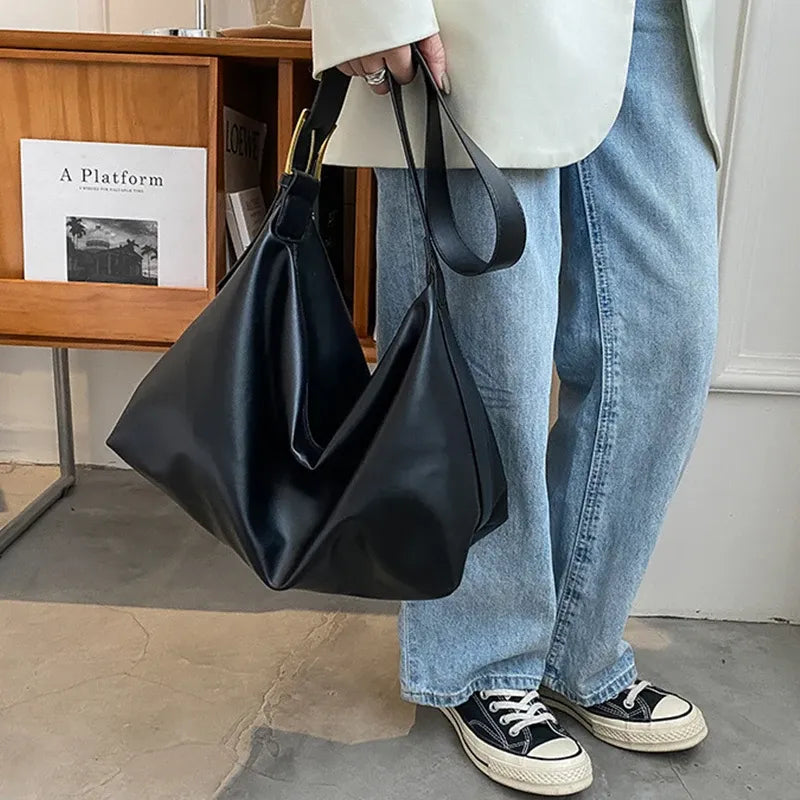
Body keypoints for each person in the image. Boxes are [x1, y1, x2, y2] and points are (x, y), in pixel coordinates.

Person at [310, 0, 719, 794]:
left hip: (658, 20)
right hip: (485, 18)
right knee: (491, 348)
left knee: (665, 336)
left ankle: (578, 649)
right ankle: (484, 659)